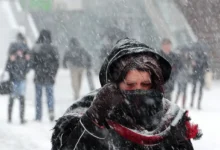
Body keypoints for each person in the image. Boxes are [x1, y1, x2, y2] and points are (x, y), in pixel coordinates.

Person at [51, 38, 202, 150]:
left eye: (145, 85)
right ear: (114, 85)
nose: (139, 90)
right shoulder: (90, 111)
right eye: (130, 85)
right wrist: (92, 120)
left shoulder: (171, 119)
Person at [32, 30, 59, 121]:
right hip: (49, 75)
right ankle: (51, 111)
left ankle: (38, 115)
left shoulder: (36, 48)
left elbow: (32, 62)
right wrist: (53, 73)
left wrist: (37, 68)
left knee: (38, 97)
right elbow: (56, 62)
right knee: (50, 95)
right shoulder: (53, 48)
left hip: (39, 75)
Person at [6, 33, 31, 124]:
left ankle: (10, 117)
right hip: (20, 77)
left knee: (12, 98)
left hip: (15, 77)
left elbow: (8, 64)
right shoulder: (25, 49)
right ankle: (21, 118)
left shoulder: (13, 48)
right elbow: (28, 63)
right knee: (21, 98)